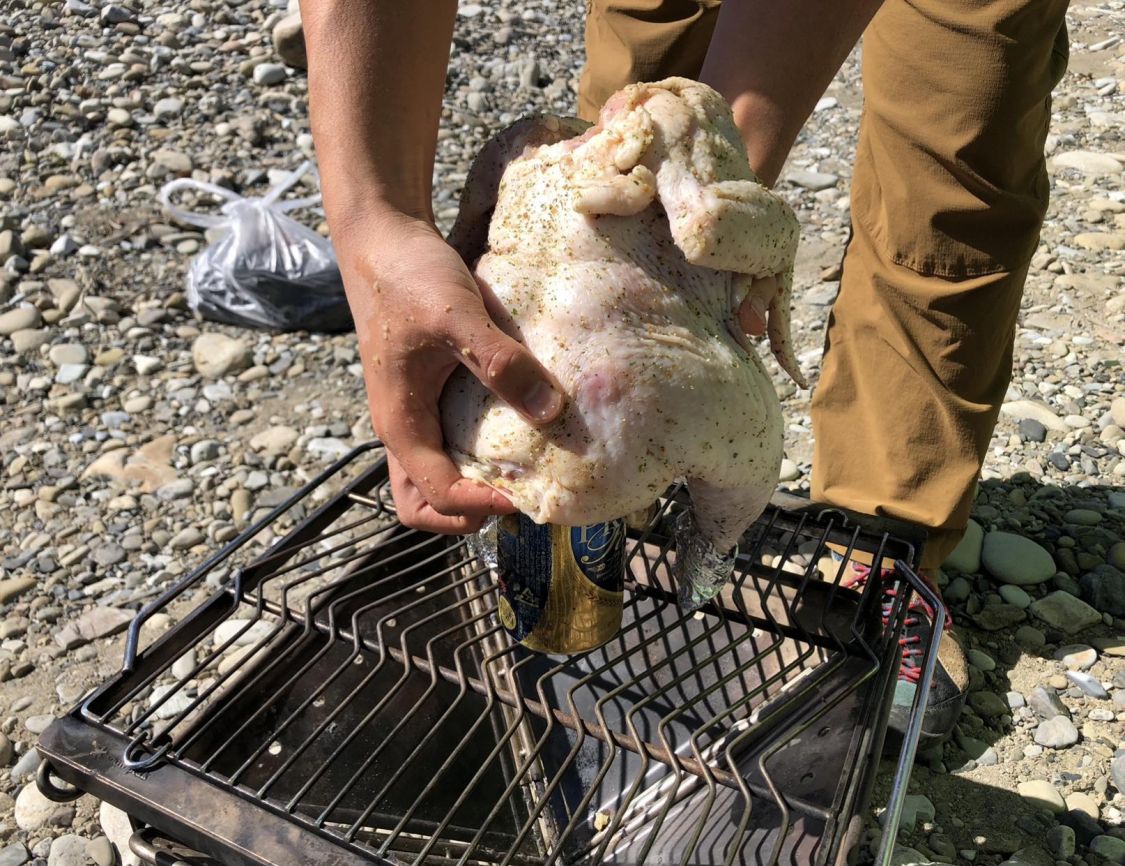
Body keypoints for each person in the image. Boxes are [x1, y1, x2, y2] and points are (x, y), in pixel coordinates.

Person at [303, 0, 1070, 748]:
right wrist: (377, 223)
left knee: (947, 182)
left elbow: (693, 188)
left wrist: (706, 176)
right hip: (674, 337)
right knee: (639, 60)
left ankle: (882, 540)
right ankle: (630, 516)